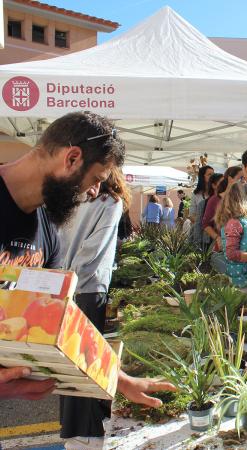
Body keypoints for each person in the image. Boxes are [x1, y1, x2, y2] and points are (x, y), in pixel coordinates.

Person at [0, 111, 174, 409]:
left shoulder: (48, 230)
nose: (95, 191)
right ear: (72, 158)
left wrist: (119, 379)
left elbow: (56, 317)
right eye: (96, 179)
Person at [57, 167, 131, 448]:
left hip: (64, 285)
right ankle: (85, 427)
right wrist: (74, 278)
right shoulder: (110, 203)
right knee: (87, 358)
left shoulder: (75, 199)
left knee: (71, 356)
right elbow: (94, 250)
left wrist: (64, 278)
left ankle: (77, 424)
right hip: (88, 286)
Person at [215, 182, 247, 290]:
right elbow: (231, 254)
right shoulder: (234, 222)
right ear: (243, 201)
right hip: (241, 280)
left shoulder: (243, 221)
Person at [202, 166, 242, 250]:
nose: (244, 181)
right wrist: (217, 238)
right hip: (223, 247)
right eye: (240, 178)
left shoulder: (243, 198)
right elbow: (205, 224)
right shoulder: (215, 199)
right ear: (230, 179)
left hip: (242, 246)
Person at [189, 165, 214, 247]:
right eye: (209, 174)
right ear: (202, 177)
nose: (212, 177)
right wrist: (204, 222)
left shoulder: (217, 193)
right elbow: (192, 215)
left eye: (213, 174)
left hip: (215, 232)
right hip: (201, 233)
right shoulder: (196, 194)